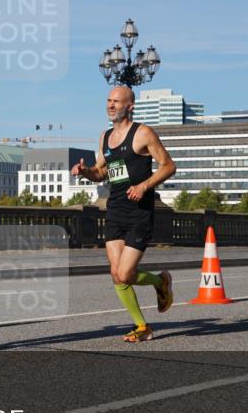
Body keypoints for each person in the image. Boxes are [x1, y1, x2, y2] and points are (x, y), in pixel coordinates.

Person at [71, 86, 177, 342]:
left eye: (116, 102)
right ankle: (142, 327)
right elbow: (101, 172)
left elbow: (169, 166)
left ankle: (160, 282)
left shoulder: (143, 134)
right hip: (115, 210)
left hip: (139, 213)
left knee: (127, 273)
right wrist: (85, 172)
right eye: (108, 100)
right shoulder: (105, 137)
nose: (110, 105)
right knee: (116, 274)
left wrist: (144, 186)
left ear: (130, 106)